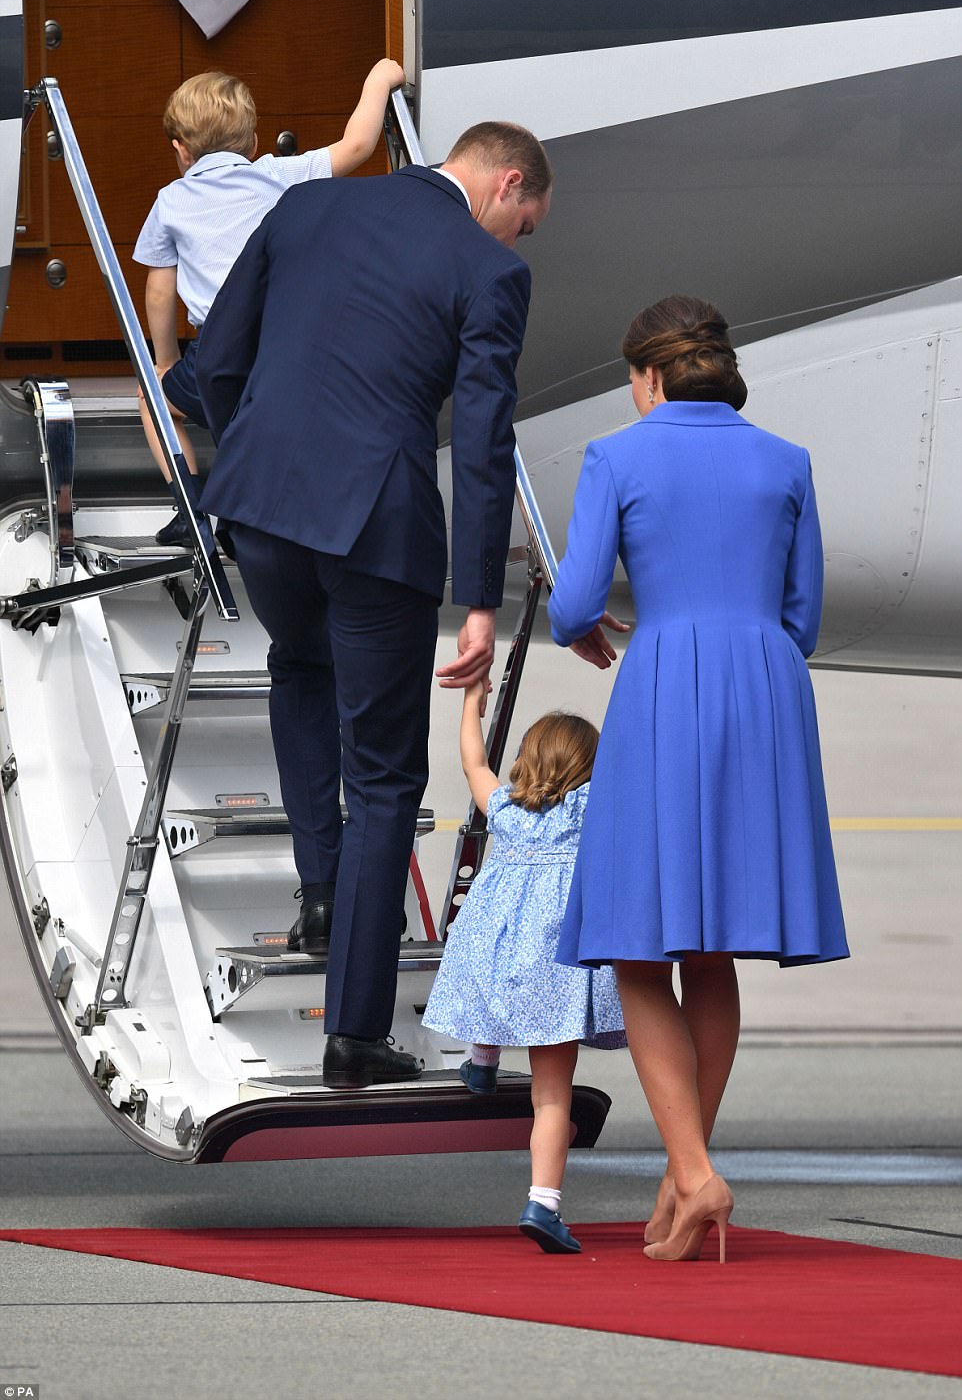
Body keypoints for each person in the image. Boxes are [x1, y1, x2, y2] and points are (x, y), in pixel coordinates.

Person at [194, 122, 553, 1090]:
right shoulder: (488, 270)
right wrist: (478, 599)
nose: (518, 238)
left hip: (263, 504)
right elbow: (481, 443)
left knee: (297, 663)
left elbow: (216, 361)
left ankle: (320, 892)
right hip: (374, 527)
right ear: (505, 183)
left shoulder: (306, 205)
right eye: (526, 220)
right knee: (387, 778)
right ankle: (353, 1031)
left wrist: (250, 454)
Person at [549, 295, 848, 1264]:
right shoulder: (786, 459)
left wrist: (587, 621)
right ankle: (685, 1174)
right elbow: (802, 615)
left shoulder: (618, 455)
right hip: (765, 687)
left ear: (647, 376)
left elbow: (573, 604)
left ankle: (693, 1168)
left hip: (666, 686)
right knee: (711, 950)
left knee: (638, 949)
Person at [132, 60, 405, 544]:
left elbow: (159, 289)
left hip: (217, 349)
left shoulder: (170, 200)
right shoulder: (278, 175)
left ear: (180, 149)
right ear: (254, 144)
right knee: (264, 426)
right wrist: (379, 79)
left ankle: (190, 508)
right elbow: (357, 146)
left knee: (154, 401)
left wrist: (165, 360)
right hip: (289, 343)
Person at [422, 687, 625, 1253]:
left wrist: (472, 702)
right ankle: (543, 1203)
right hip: (555, 973)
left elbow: (473, 761)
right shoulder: (590, 811)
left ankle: (482, 1061)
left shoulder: (506, 812)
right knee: (552, 1096)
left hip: (495, 959)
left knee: (490, 976)